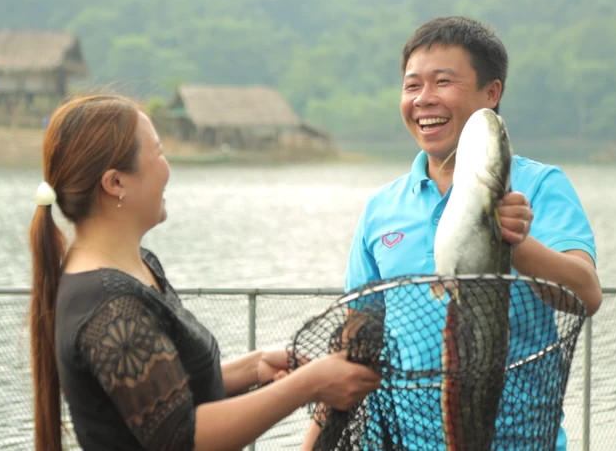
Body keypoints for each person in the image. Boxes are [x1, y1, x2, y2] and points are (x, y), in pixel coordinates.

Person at [302, 16, 602, 450]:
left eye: (443, 82)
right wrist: (310, 443)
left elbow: (586, 294)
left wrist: (516, 244)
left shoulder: (539, 186)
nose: (424, 99)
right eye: (412, 86)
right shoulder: (382, 208)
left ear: (491, 93)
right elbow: (356, 340)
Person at [28, 93, 381, 451]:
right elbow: (183, 438)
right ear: (115, 183)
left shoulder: (139, 266)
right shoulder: (108, 304)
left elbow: (161, 399)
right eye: (159, 152)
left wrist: (252, 368)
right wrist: (307, 385)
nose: (167, 168)